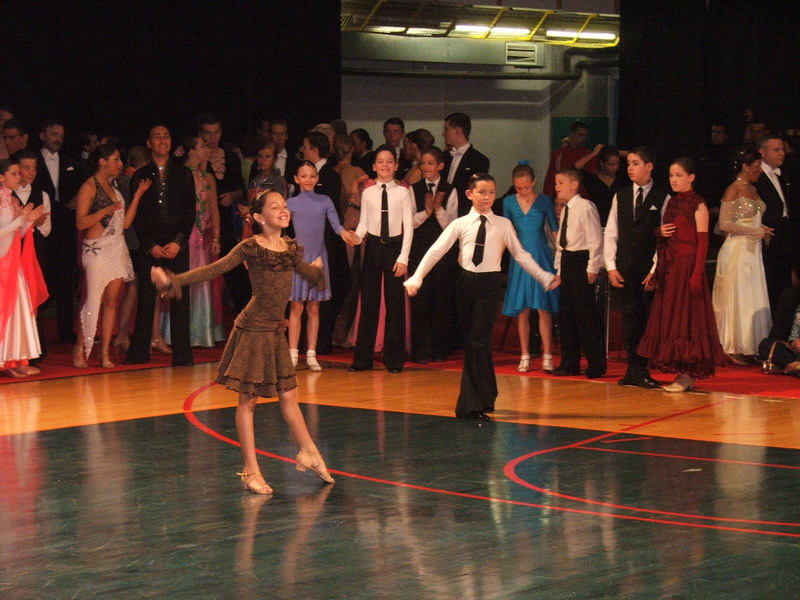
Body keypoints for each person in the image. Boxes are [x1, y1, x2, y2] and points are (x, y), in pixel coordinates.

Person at [151, 190, 335, 494]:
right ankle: (250, 470)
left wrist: (316, 272)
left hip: (273, 329)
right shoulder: (250, 247)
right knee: (248, 402)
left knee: (289, 395)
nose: (283, 210)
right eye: (275, 207)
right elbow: (214, 269)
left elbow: (310, 276)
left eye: (284, 206)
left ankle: (309, 451)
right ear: (259, 217)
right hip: (253, 329)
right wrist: (174, 281)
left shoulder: (289, 248)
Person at [405, 173, 560, 420]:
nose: (487, 197)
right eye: (482, 192)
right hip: (465, 284)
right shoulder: (460, 223)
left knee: (478, 341)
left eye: (491, 192)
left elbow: (520, 255)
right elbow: (436, 250)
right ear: (470, 194)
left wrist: (544, 276)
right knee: (476, 343)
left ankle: (470, 405)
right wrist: (417, 277)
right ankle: (487, 395)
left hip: (489, 285)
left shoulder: (503, 224)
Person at [638, 158, 726, 392]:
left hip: (688, 269)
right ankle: (682, 373)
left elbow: (703, 243)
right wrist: (659, 234)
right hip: (671, 269)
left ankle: (686, 375)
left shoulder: (698, 204)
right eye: (671, 175)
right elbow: (666, 237)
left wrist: (696, 274)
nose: (674, 180)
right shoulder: (672, 203)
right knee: (673, 320)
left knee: (688, 320)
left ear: (691, 177)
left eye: (678, 175)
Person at [124, 125, 196, 367]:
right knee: (146, 298)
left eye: (166, 137)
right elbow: (137, 217)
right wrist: (150, 245)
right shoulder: (140, 175)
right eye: (157, 137)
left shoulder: (184, 173)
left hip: (176, 244)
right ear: (149, 143)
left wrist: (178, 242)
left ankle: (182, 356)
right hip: (151, 245)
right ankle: (139, 354)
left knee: (179, 298)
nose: (163, 141)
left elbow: (189, 213)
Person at [73, 145, 149, 368]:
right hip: (97, 249)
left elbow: (125, 223)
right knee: (93, 300)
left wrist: (138, 196)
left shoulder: (114, 189)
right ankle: (80, 347)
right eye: (116, 159)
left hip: (116, 248)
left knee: (112, 301)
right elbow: (81, 223)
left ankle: (104, 351)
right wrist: (105, 211)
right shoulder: (89, 187)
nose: (120, 164)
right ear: (102, 161)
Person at [604, 147, 669, 388]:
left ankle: (643, 368)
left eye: (636, 163)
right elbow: (611, 232)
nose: (630, 168)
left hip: (647, 270)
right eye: (629, 163)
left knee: (646, 319)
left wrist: (654, 269)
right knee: (629, 319)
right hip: (625, 267)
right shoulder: (620, 195)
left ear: (649, 166)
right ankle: (633, 370)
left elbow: (664, 239)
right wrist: (610, 266)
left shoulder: (662, 197)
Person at [349, 144, 414, 373]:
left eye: (389, 161)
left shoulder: (402, 192)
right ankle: (362, 360)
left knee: (395, 304)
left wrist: (404, 257)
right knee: (369, 302)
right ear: (374, 166)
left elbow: (409, 227)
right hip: (374, 247)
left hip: (395, 247)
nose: (385, 165)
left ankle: (394, 360)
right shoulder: (368, 192)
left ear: (396, 165)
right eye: (380, 161)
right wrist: (356, 237)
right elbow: (364, 223)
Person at [288, 161, 356, 372]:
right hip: (298, 260)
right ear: (296, 179)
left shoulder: (325, 200)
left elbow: (336, 225)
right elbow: (278, 225)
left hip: (318, 259)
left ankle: (311, 354)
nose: (308, 180)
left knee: (314, 307)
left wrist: (345, 234)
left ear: (317, 179)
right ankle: (292, 353)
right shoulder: (290, 203)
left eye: (312, 176)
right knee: (296, 306)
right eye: (304, 176)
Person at [712, 146, 773, 364]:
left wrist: (761, 229)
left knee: (751, 296)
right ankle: (731, 345)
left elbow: (750, 220)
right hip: (737, 250)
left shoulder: (752, 188)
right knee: (737, 296)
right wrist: (756, 231)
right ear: (745, 167)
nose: (760, 170)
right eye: (756, 166)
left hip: (752, 251)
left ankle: (749, 345)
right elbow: (724, 224)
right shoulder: (733, 190)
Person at [501, 162, 559, 373]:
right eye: (518, 188)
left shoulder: (544, 200)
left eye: (526, 187)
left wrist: (561, 257)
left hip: (542, 256)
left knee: (543, 308)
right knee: (523, 309)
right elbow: (505, 231)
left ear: (534, 182)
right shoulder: (508, 202)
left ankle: (547, 354)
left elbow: (555, 230)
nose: (523, 191)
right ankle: (525, 354)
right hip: (520, 259)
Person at [551, 168, 606, 379]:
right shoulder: (566, 209)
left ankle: (596, 364)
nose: (557, 187)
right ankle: (569, 362)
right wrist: (559, 269)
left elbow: (595, 239)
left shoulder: (585, 206)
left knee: (585, 315)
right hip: (568, 261)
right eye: (556, 183)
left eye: (561, 182)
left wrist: (592, 266)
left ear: (574, 185)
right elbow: (562, 243)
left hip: (581, 261)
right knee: (567, 315)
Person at [34, 119, 83, 344]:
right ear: (42, 135)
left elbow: (86, 183)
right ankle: (35, 329)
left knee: (66, 279)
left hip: (65, 226)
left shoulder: (71, 162)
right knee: (43, 276)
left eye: (61, 135)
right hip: (40, 224)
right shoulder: (33, 161)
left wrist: (79, 197)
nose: (58, 139)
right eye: (54, 134)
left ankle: (65, 330)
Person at [408, 146, 457, 363]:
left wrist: (438, 210)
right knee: (420, 300)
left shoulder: (450, 190)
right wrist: (426, 212)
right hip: (419, 250)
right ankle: (420, 350)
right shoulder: (414, 189)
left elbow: (453, 225)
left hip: (443, 254)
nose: (426, 167)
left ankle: (440, 350)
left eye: (430, 163)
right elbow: (409, 221)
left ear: (440, 166)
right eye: (423, 163)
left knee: (442, 300)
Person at [0, 158, 47, 378]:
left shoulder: (11, 201)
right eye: (14, 173)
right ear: (1, 177)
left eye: (19, 173)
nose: (19, 177)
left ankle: (16, 359)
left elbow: (15, 235)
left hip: (13, 263)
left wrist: (29, 221)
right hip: (2, 264)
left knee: (17, 312)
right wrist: (20, 221)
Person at [182, 133, 224, 347]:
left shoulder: (207, 177)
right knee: (186, 278)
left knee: (204, 279)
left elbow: (214, 208)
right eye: (202, 146)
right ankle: (178, 332)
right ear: (191, 151)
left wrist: (216, 236)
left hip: (204, 235)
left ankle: (202, 332)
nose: (207, 150)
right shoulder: (181, 174)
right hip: (185, 236)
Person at [113, 145, 150, 352]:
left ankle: (122, 333)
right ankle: (122, 333)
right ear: (144, 163)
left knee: (127, 288)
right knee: (133, 287)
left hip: (121, 240)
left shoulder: (119, 181)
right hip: (133, 240)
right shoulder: (132, 182)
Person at [755, 135, 797, 314]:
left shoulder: (782, 174)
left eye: (782, 149)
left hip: (785, 235)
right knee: (771, 281)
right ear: (763, 152)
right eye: (776, 150)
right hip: (768, 235)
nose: (782, 153)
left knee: (785, 280)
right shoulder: (757, 176)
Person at [442, 112, 490, 217]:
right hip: (441, 214)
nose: (443, 133)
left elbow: (477, 192)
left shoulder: (479, 161)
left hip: (465, 215)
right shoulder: (443, 157)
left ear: (458, 130)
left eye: (446, 129)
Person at [543, 121, 596, 199]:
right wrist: (548, 197)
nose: (583, 138)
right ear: (572, 134)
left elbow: (592, 177)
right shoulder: (559, 154)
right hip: (562, 196)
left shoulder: (588, 154)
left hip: (582, 196)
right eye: (580, 135)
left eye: (585, 135)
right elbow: (550, 177)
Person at [578, 145, 623, 226]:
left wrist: (616, 152)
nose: (614, 167)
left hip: (617, 223)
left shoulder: (622, 178)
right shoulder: (592, 179)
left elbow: (635, 155)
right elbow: (576, 167)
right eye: (610, 164)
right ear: (602, 163)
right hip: (596, 223)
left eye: (616, 164)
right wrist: (594, 153)